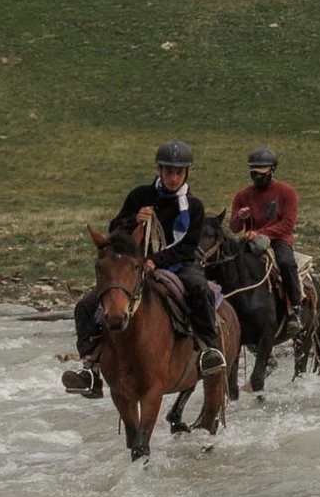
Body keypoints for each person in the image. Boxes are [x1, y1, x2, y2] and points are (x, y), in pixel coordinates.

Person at [63, 140, 227, 393]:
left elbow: (188, 246)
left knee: (199, 288)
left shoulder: (194, 207)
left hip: (179, 263)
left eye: (179, 172)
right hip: (134, 265)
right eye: (169, 172)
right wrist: (133, 220)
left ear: (186, 173)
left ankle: (209, 349)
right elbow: (115, 232)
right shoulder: (140, 196)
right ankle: (90, 367)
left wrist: (156, 261)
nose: (173, 178)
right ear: (159, 171)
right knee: (85, 307)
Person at [228, 145, 301, 316]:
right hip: (250, 241)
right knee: (229, 263)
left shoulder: (286, 192)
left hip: (279, 240)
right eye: (254, 172)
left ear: (272, 170)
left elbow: (288, 224)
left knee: (286, 263)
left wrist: (262, 233)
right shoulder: (242, 196)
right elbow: (234, 227)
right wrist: (240, 217)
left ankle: (295, 305)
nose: (257, 176)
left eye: (261, 172)